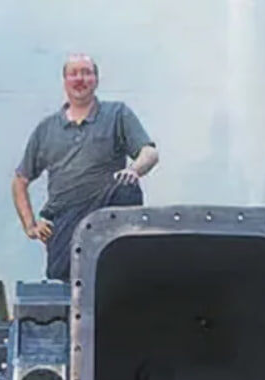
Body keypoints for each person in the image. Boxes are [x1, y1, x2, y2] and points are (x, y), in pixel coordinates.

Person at [12, 54, 159, 282]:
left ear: (96, 79)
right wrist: (30, 225)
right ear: (65, 81)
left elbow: (149, 152)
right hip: (65, 220)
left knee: (127, 188)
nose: (80, 79)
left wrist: (134, 170)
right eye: (74, 73)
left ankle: (127, 265)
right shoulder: (47, 128)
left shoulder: (117, 114)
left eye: (86, 73)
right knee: (63, 282)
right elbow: (20, 181)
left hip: (107, 212)